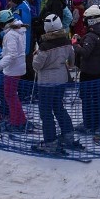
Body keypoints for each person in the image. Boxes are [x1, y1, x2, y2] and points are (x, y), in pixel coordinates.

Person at [33, 14, 77, 152]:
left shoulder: (44, 46)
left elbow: (37, 66)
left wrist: (35, 56)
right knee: (58, 106)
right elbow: (71, 60)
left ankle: (50, 142)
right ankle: (68, 135)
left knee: (45, 112)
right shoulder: (66, 41)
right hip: (61, 79)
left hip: (46, 82)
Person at [0, 10, 29, 131]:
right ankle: (17, 118)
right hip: (17, 66)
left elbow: (12, 55)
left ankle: (18, 121)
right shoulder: (18, 30)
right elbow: (12, 51)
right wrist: (1, 55)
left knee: (10, 95)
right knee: (11, 95)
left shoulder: (11, 34)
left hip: (13, 69)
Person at [73, 6, 100, 135]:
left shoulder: (92, 35)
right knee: (96, 97)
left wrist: (76, 45)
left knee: (87, 98)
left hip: (88, 70)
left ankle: (89, 123)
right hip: (97, 68)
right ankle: (99, 123)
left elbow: (85, 52)